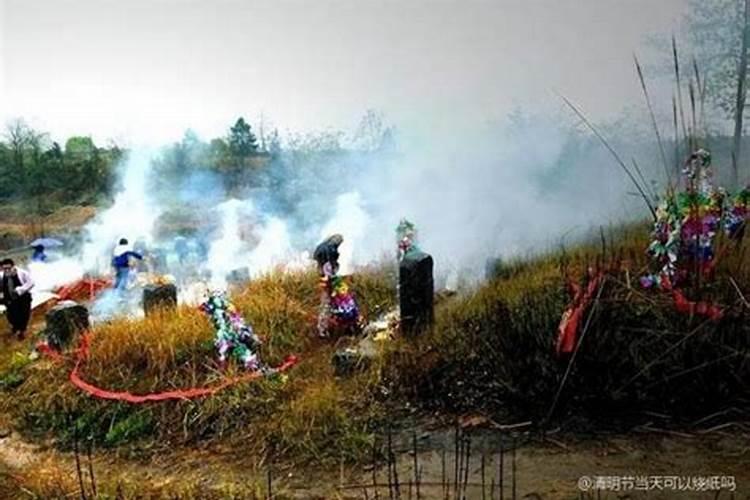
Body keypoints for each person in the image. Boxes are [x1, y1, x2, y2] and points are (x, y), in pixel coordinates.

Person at [0, 258, 34, 339]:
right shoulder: (2, 276)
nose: (7, 270)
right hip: (10, 299)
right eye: (5, 268)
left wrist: (21, 289)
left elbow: (31, 283)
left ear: (13, 266)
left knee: (24, 315)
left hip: (23, 298)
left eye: (9, 268)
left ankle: (22, 331)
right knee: (11, 316)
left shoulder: (22, 273)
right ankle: (16, 328)